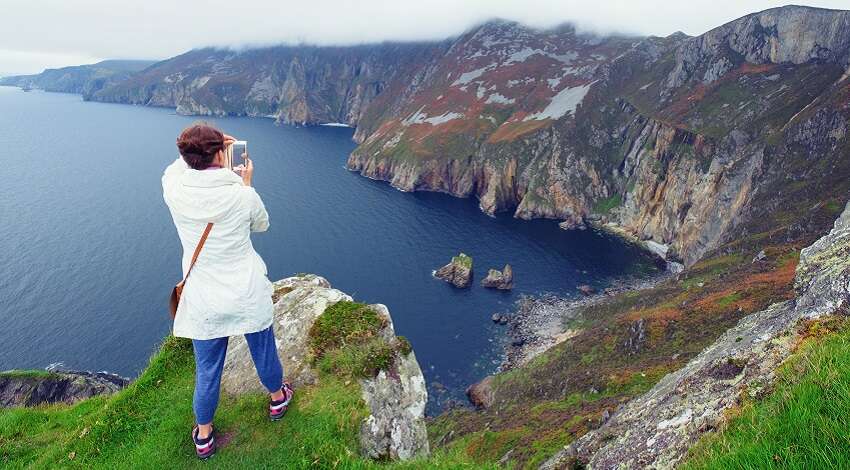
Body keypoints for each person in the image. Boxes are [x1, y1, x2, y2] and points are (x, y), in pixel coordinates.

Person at [162, 123, 293, 460]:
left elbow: (173, 169)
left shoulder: (174, 189)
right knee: (263, 352)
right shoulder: (240, 194)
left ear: (187, 156)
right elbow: (261, 225)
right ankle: (278, 399)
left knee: (207, 370)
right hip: (245, 292)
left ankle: (204, 435)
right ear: (220, 153)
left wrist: (204, 151)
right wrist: (245, 183)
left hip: (205, 298)